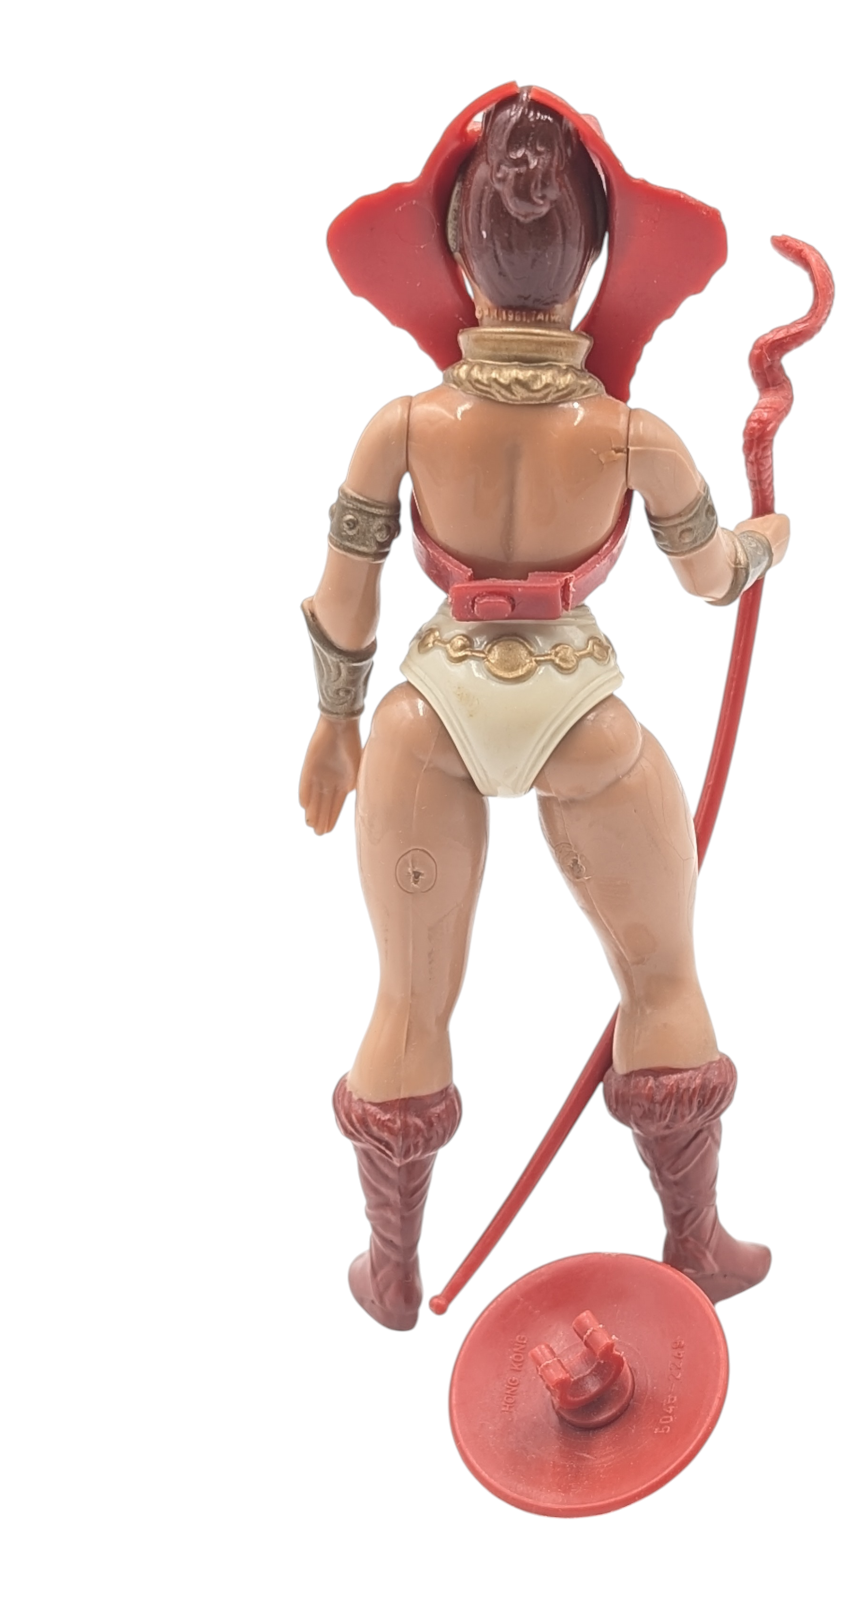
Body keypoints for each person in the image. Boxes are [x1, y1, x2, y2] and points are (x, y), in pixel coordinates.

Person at [300, 91, 788, 1330]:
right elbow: (709, 580)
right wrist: (763, 541)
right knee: (662, 971)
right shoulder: (631, 435)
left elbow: (346, 592)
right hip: (582, 719)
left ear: (459, 254)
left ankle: (393, 1267)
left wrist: (337, 722)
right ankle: (693, 1241)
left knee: (406, 1000)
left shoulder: (403, 426)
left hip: (424, 718)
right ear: (595, 260)